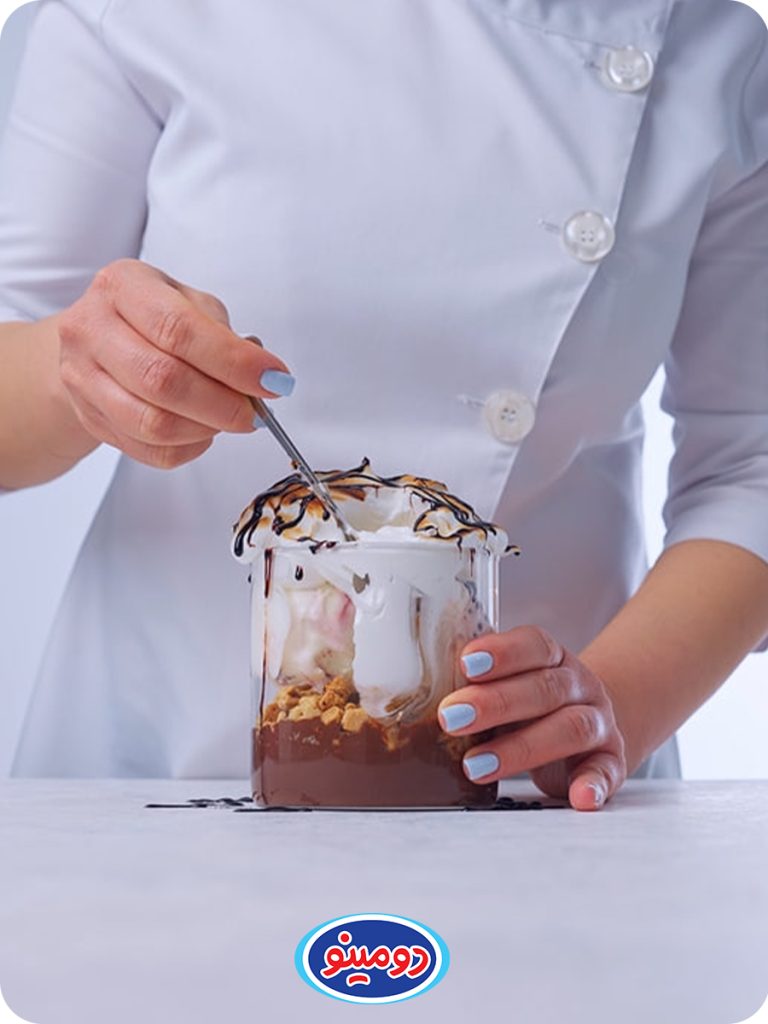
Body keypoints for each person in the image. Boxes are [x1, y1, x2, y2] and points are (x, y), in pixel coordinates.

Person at [1, 0, 767, 810]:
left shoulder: (717, 55)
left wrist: (610, 705)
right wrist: (79, 368)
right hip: (164, 760)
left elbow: (750, 465)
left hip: (543, 786)